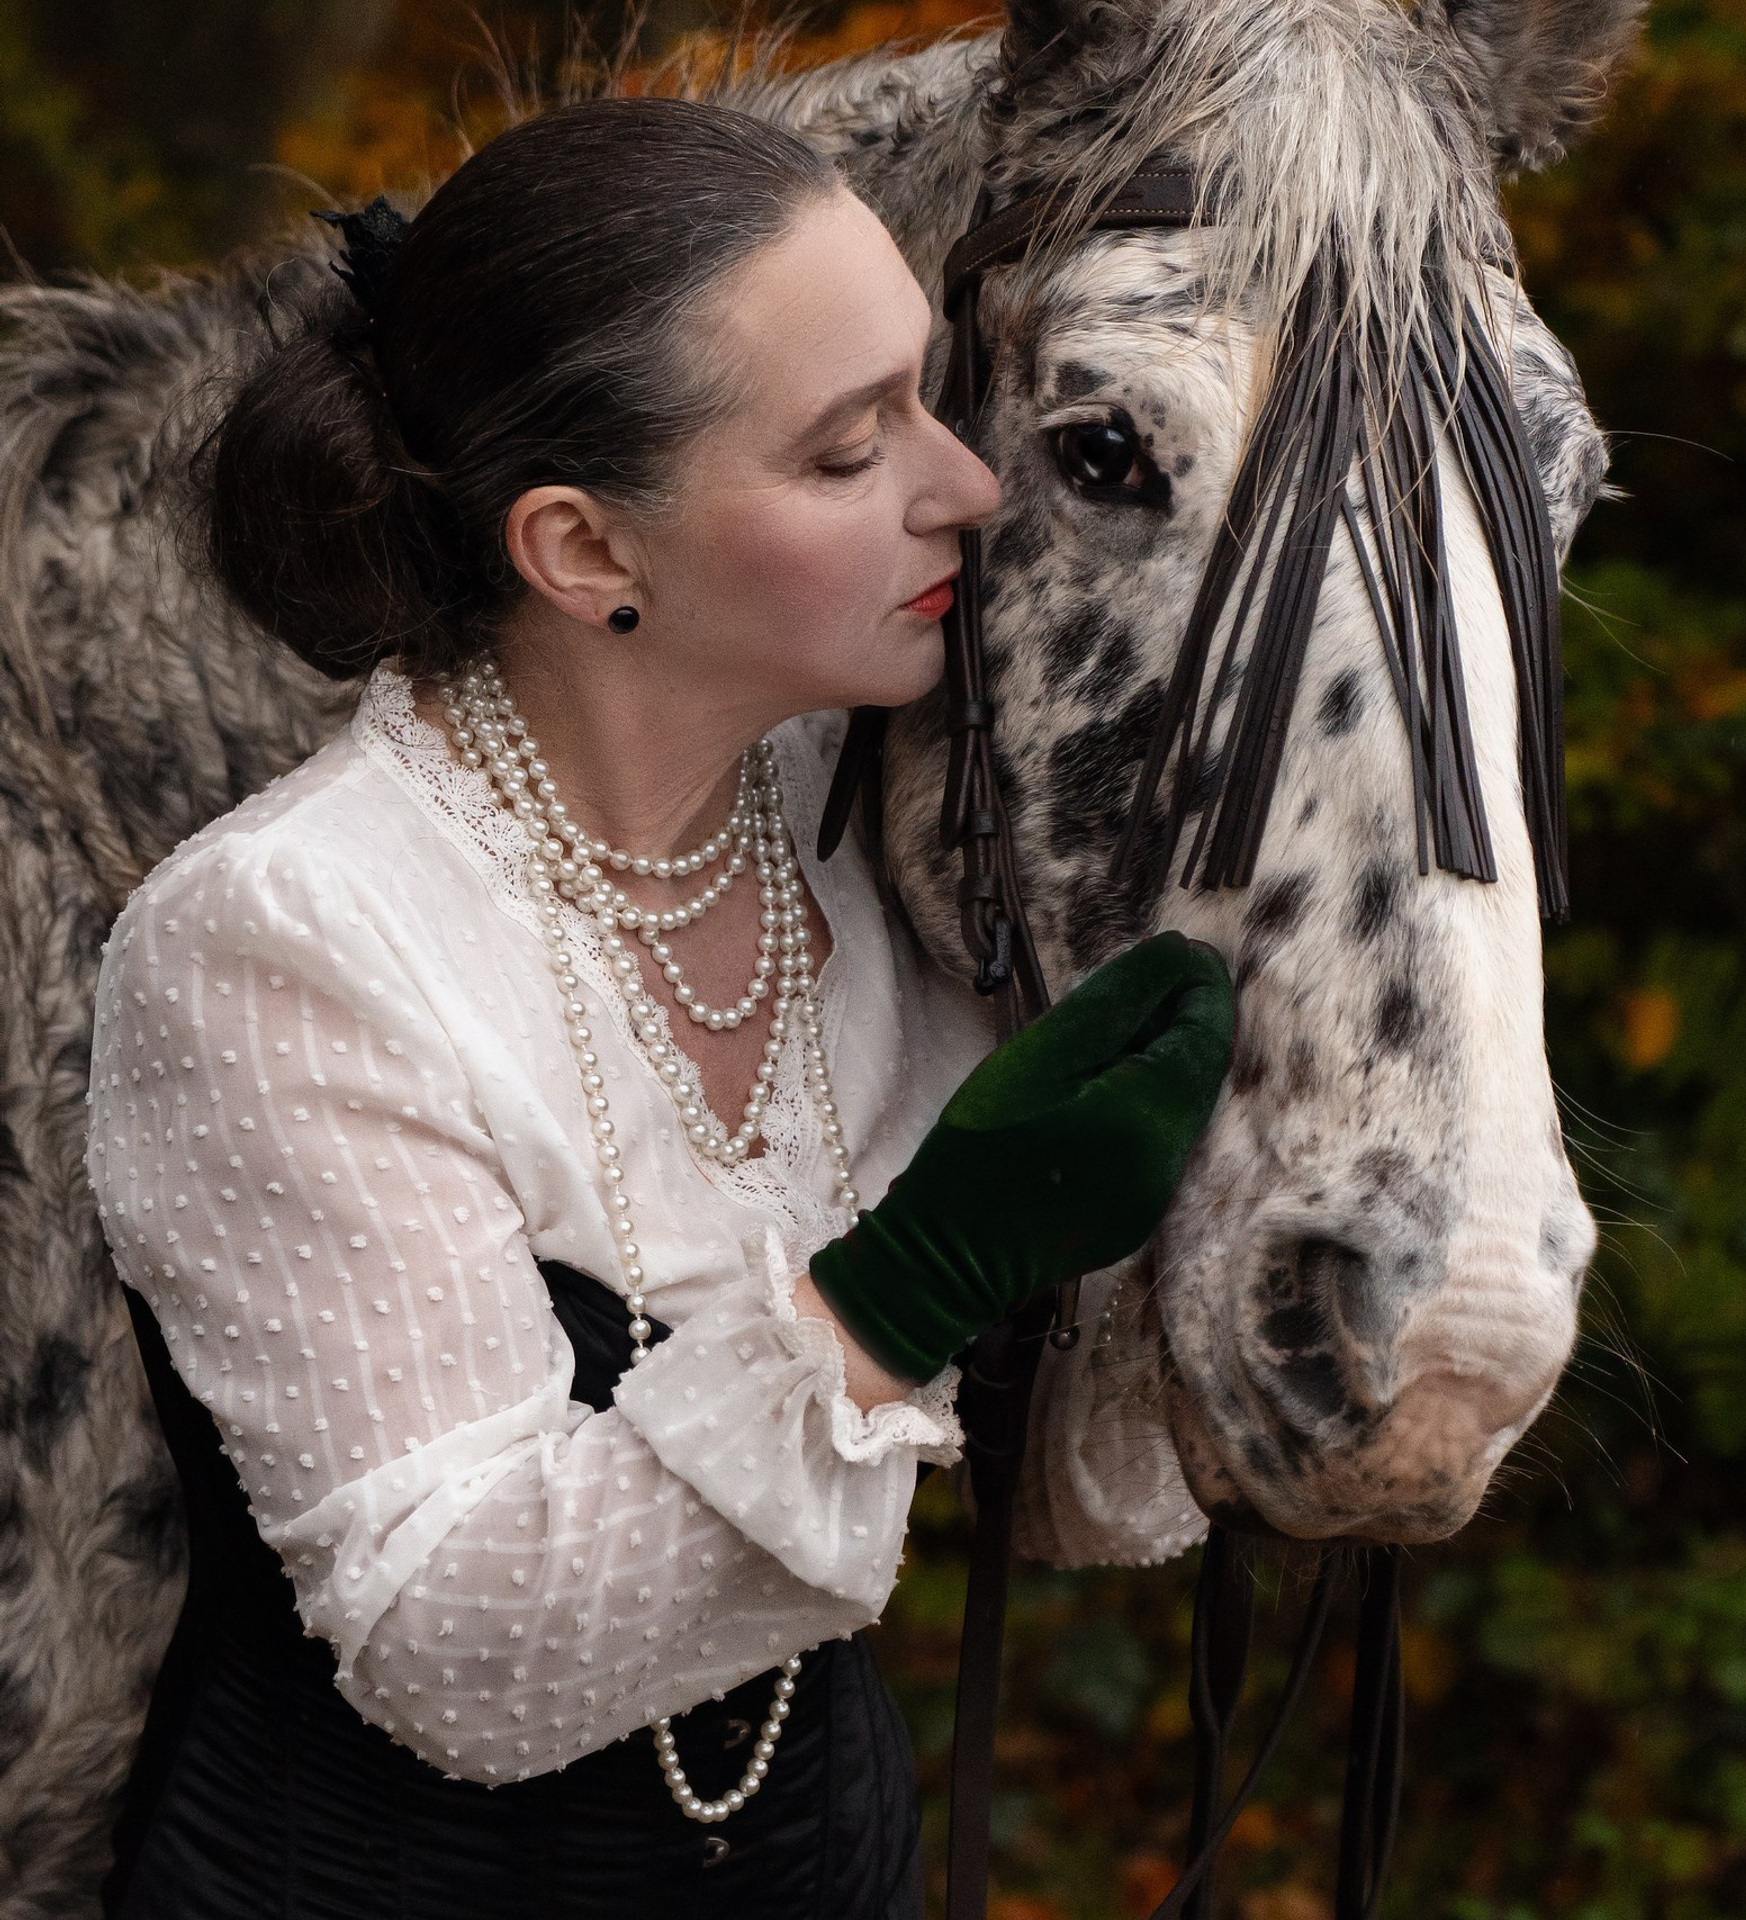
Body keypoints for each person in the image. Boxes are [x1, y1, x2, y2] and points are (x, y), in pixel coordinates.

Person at [85, 93, 1233, 1920]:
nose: (969, 486)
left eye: (930, 398)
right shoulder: (290, 939)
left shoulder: (876, 823)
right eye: (854, 451)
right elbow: (447, 1643)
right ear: (586, 553)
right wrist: (914, 1281)